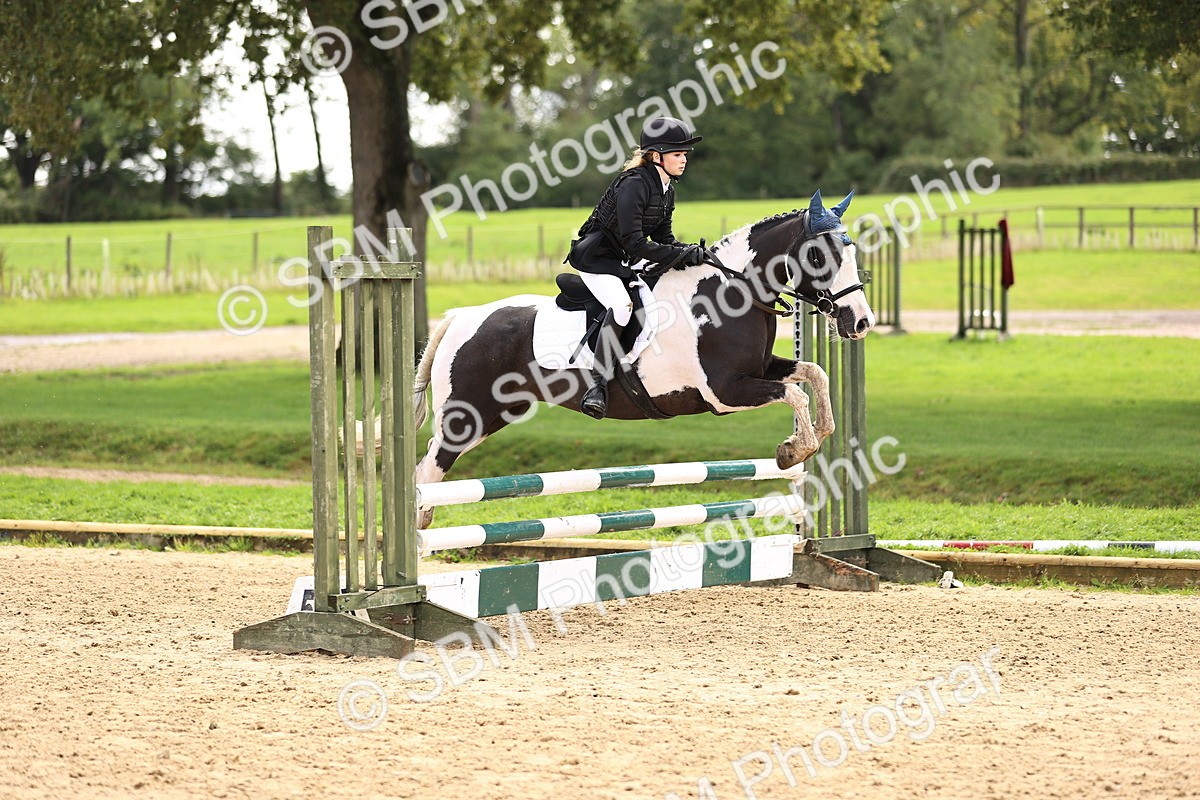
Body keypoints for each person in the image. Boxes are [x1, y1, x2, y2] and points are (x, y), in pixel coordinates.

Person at [566, 116, 707, 419]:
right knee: (622, 306)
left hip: (623, 260)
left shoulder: (666, 188)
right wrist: (679, 255)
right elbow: (635, 243)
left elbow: (663, 239)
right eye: (677, 154)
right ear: (656, 156)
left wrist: (690, 251)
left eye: (684, 154)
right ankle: (597, 386)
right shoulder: (634, 185)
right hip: (597, 259)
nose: (684, 160)